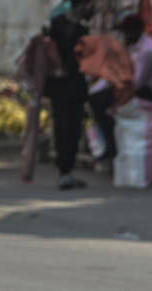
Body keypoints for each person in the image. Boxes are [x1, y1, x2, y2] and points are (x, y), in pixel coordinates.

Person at [46, 0, 94, 190]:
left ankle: (67, 170)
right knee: (65, 127)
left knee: (71, 127)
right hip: (64, 84)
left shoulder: (77, 28)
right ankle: (65, 170)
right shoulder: (61, 26)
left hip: (70, 85)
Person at [117, 14, 152, 102]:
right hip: (142, 90)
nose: (124, 36)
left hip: (150, 94)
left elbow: (138, 81)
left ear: (135, 31)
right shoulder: (136, 47)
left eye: (126, 32)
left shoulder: (147, 50)